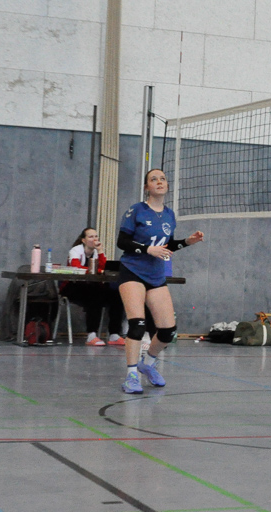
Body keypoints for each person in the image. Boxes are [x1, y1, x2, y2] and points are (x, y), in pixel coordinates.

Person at [115, 169, 203, 394]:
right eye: (153, 179)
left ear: (167, 185)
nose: (159, 182)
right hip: (132, 271)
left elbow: (167, 246)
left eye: (162, 179)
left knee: (168, 331)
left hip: (156, 275)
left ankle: (148, 364)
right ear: (147, 187)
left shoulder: (169, 215)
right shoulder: (137, 210)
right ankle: (131, 375)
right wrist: (147, 249)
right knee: (138, 324)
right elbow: (122, 242)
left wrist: (187, 242)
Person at [61, 227, 124, 346]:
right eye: (91, 237)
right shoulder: (75, 250)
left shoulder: (95, 252)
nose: (94, 239)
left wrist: (100, 251)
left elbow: (103, 267)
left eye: (96, 236)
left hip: (91, 286)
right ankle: (91, 335)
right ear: (83, 240)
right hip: (72, 286)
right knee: (94, 295)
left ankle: (114, 334)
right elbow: (76, 267)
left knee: (116, 296)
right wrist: (97, 270)